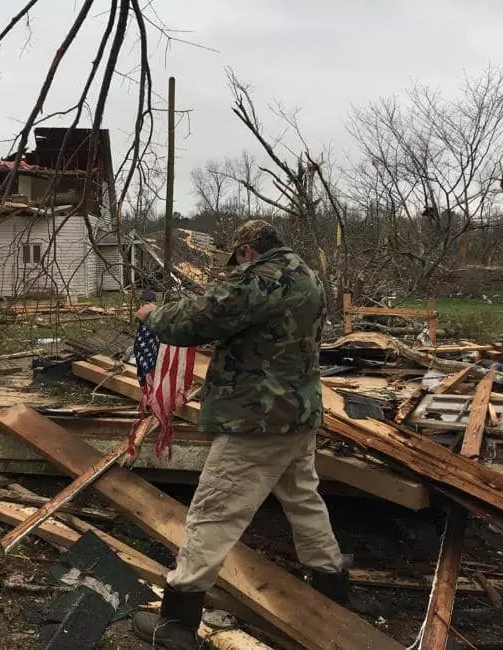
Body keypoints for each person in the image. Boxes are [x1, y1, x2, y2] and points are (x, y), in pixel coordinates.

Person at [131, 220, 348, 649]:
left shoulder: (262, 280)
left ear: (248, 250)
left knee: (215, 510)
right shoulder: (307, 275)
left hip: (257, 418)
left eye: (240, 259)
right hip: (298, 412)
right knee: (303, 498)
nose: (239, 266)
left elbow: (199, 318)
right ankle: (331, 586)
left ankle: (177, 620)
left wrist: (152, 315)